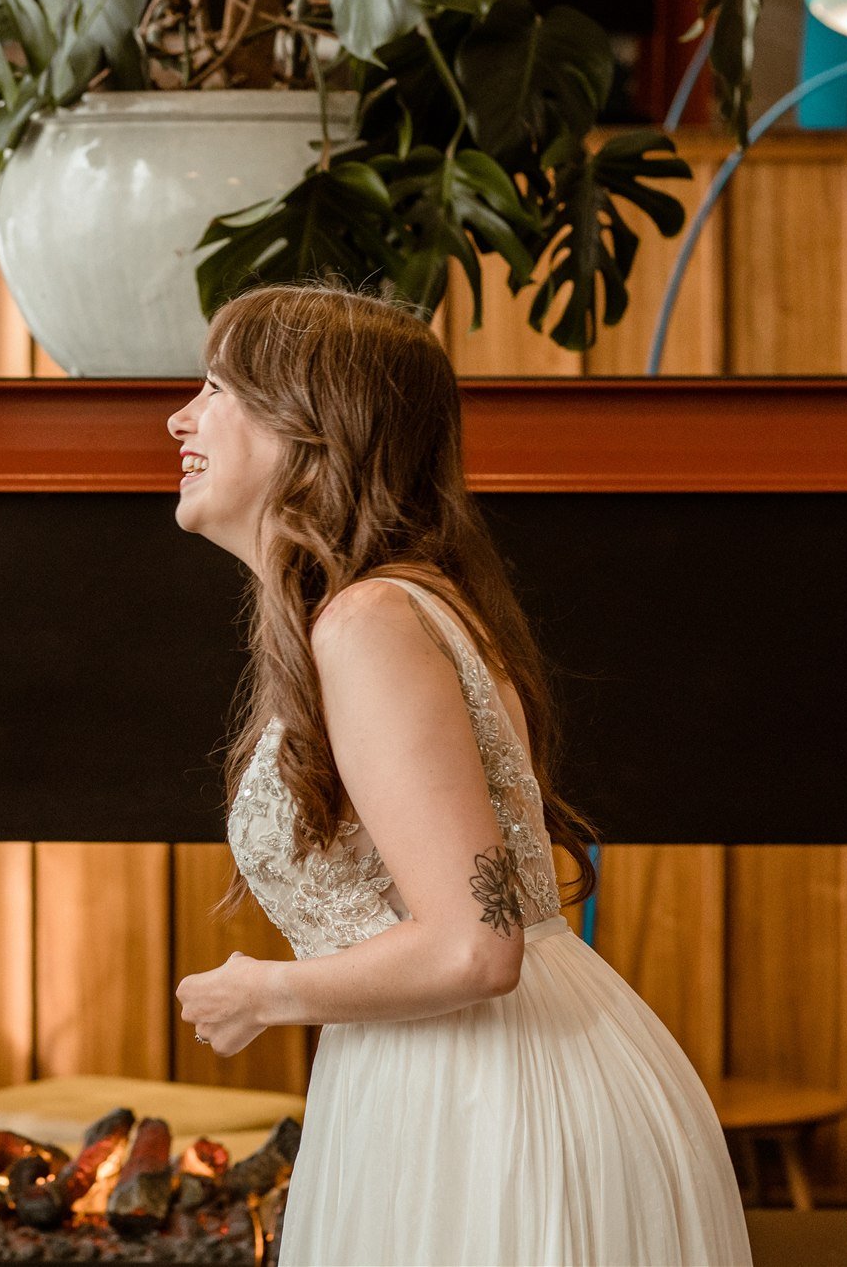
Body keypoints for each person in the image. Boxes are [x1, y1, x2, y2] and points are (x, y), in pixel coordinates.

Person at [170, 283, 750, 1265]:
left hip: (488, 1102)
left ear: (311, 425)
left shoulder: (370, 624)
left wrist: (264, 992)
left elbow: (476, 949)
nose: (179, 419)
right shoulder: (402, 607)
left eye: (216, 389)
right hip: (460, 1077)